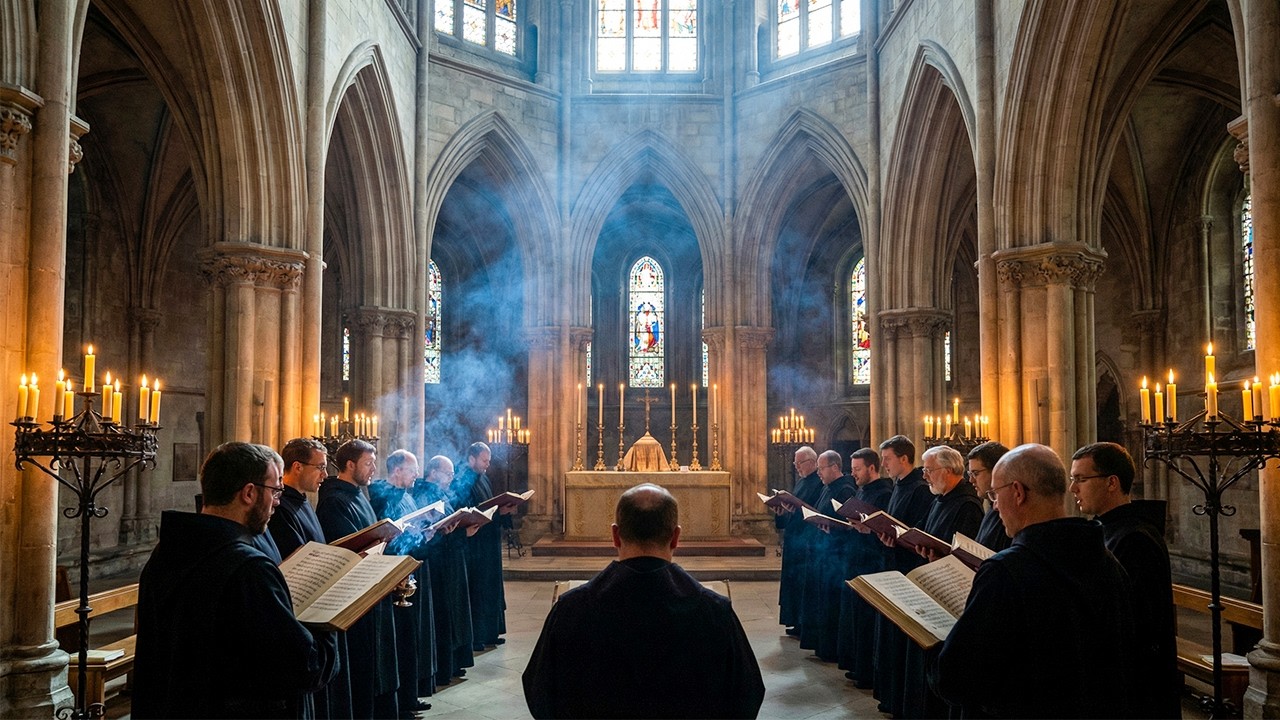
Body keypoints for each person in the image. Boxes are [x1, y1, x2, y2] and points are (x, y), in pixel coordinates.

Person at [522, 483, 765, 719]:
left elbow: (540, 694)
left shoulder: (571, 609)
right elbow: (747, 695)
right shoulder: (714, 611)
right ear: (676, 537)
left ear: (615, 535)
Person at [132, 442, 338, 719]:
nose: (277, 501)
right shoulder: (248, 568)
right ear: (249, 493)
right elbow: (303, 667)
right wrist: (329, 619)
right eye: (275, 491)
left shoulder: (165, 553)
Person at [930, 444, 1136, 718]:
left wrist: (935, 646)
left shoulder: (1005, 571)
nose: (995, 505)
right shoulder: (1108, 562)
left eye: (995, 494)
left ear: (1018, 492)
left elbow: (957, 679)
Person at [1071, 442, 1180, 719]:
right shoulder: (1108, 530)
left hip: (1138, 690)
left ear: (1111, 482)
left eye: (1081, 479)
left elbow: (1137, 624)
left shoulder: (1135, 539)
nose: (1073, 488)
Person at [316, 439, 400, 719]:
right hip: (353, 592)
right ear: (350, 465)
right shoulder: (334, 500)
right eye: (368, 463)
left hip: (370, 587)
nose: (373, 468)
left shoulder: (358, 494)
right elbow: (346, 546)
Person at [268, 437, 351, 719]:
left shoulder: (303, 502)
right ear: (297, 467)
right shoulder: (282, 509)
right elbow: (296, 560)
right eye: (320, 467)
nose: (325, 475)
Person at [900, 445, 984, 719]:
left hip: (950, 592)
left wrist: (939, 557)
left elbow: (967, 554)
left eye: (929, 470)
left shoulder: (967, 504)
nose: (924, 476)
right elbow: (921, 531)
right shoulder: (939, 499)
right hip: (931, 583)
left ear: (947, 471)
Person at [369, 449, 437, 718]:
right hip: (393, 579)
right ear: (397, 470)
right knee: (398, 646)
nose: (417, 474)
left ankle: (409, 697)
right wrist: (417, 537)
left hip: (408, 575)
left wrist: (426, 533)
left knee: (410, 642)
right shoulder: (382, 498)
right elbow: (387, 540)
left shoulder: (406, 495)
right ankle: (399, 703)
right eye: (412, 469)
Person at [872, 434, 934, 716]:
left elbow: (917, 530)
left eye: (887, 459)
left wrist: (897, 538)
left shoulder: (920, 489)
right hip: (892, 562)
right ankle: (891, 695)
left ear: (904, 459)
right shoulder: (898, 485)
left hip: (908, 568)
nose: (883, 464)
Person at [412, 455, 475, 687]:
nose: (451, 478)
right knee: (441, 617)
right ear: (434, 472)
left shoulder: (440, 494)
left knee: (450, 616)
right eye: (448, 474)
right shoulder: (424, 495)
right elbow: (427, 533)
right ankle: (442, 669)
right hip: (437, 565)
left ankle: (451, 665)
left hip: (448, 563)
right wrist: (459, 533)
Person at [838, 448, 892, 685]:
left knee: (867, 619)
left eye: (857, 469)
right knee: (856, 616)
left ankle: (868, 671)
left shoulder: (884, 493)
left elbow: (886, 529)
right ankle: (857, 665)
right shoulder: (861, 490)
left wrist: (868, 529)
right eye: (852, 469)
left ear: (872, 468)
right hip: (856, 557)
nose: (853, 474)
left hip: (872, 561)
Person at [799, 450, 858, 661]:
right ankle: (822, 645)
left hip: (836, 555)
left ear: (834, 467)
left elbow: (848, 524)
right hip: (824, 552)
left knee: (831, 603)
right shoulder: (827, 487)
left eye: (821, 468)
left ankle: (831, 648)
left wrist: (831, 527)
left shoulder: (845, 489)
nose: (819, 473)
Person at [456, 441, 508, 650]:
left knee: (491, 587)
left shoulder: (483, 478)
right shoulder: (463, 481)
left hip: (489, 542)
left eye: (489, 460)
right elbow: (466, 511)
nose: (488, 464)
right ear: (472, 459)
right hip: (476, 545)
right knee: (478, 589)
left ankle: (490, 633)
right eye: (484, 460)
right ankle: (478, 637)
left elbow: (489, 507)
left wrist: (501, 512)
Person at [777, 445, 823, 636]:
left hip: (805, 540)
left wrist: (794, 510)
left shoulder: (819, 483)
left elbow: (814, 512)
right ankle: (795, 620)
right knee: (793, 582)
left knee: (801, 583)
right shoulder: (801, 482)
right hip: (794, 539)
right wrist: (782, 512)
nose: (796, 467)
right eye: (795, 463)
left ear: (812, 462)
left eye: (799, 463)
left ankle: (803, 623)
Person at [966, 441, 1011, 552]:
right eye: (970, 474)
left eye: (975, 473)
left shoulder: (1010, 511)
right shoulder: (992, 507)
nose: (971, 480)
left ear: (996, 470)